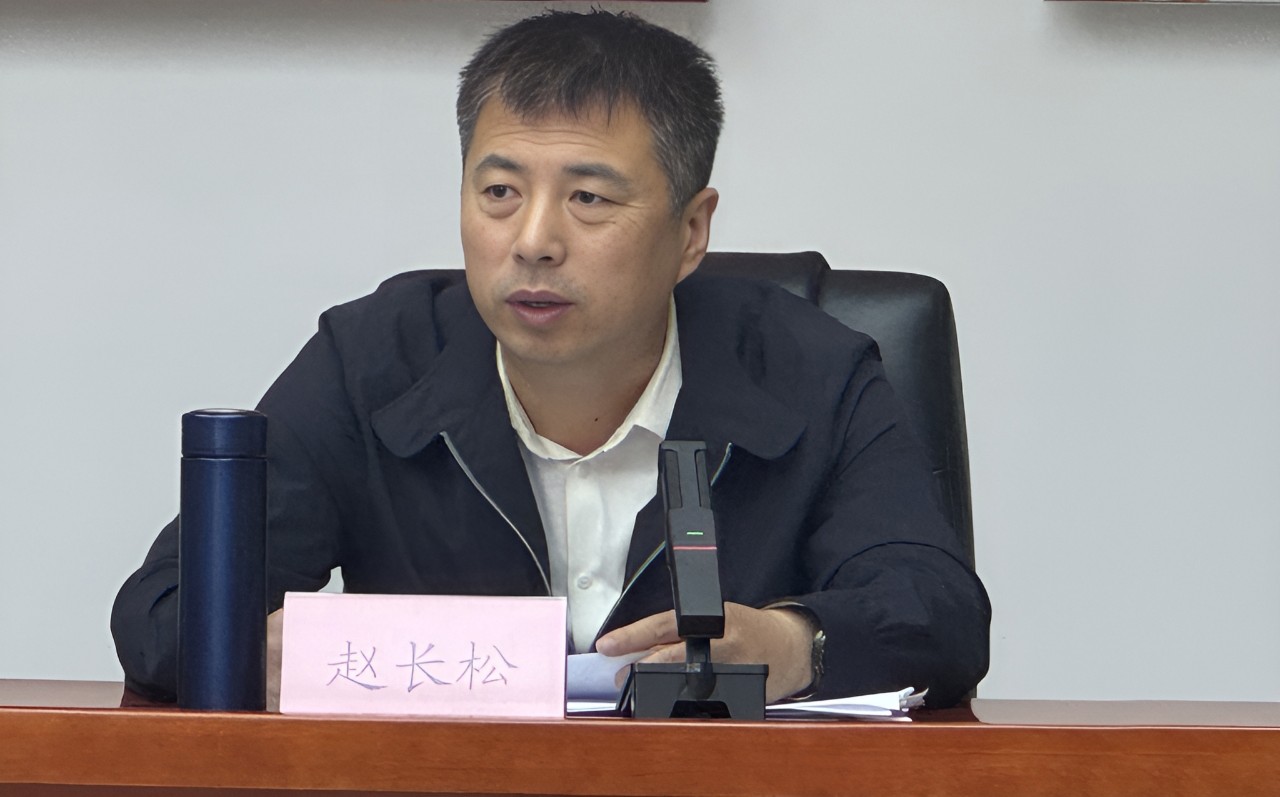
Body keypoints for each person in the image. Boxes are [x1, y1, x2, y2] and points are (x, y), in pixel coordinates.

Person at [112, 10, 990, 707]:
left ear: (691, 230)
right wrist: (251, 648)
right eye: (499, 192)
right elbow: (162, 607)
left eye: (589, 198)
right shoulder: (373, 360)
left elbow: (941, 611)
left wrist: (797, 645)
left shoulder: (811, 369)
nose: (533, 240)